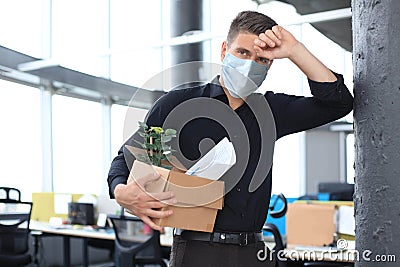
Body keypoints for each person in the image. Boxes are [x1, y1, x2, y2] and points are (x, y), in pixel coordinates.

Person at [107, 10, 353, 267]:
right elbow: (125, 160)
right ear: (224, 50)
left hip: (253, 252)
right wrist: (121, 191)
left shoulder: (271, 112)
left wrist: (295, 50)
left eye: (261, 59)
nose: (250, 64)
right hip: (195, 251)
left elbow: (338, 103)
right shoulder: (176, 104)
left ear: (270, 64)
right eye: (242, 53)